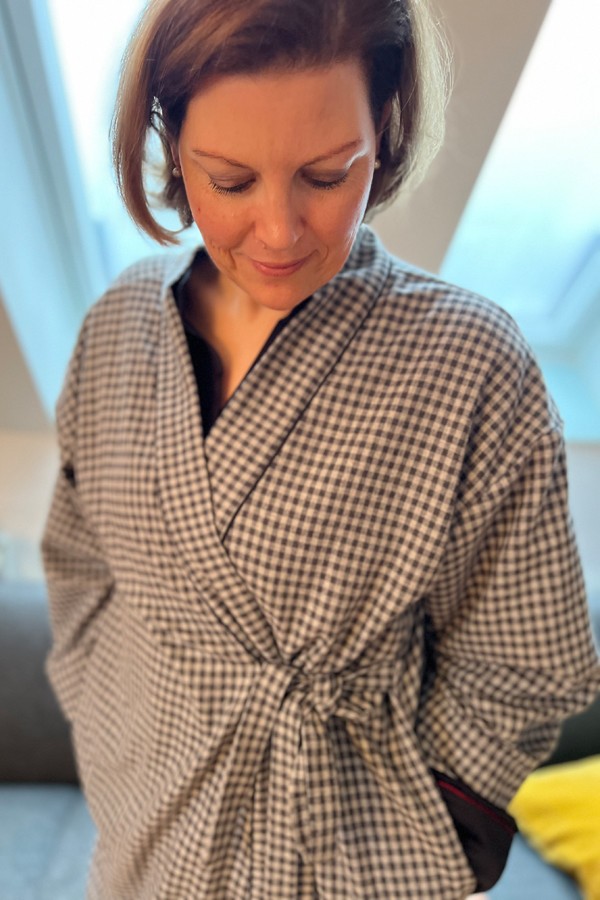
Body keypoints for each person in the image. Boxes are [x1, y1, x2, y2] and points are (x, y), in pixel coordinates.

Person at [41, 0, 600, 897]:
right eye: (230, 181)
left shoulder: (468, 363)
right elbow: (80, 561)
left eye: (327, 175)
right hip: (147, 834)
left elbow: (526, 660)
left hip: (351, 857)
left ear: (384, 132)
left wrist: (434, 825)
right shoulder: (117, 326)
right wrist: (115, 738)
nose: (278, 230)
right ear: (171, 146)